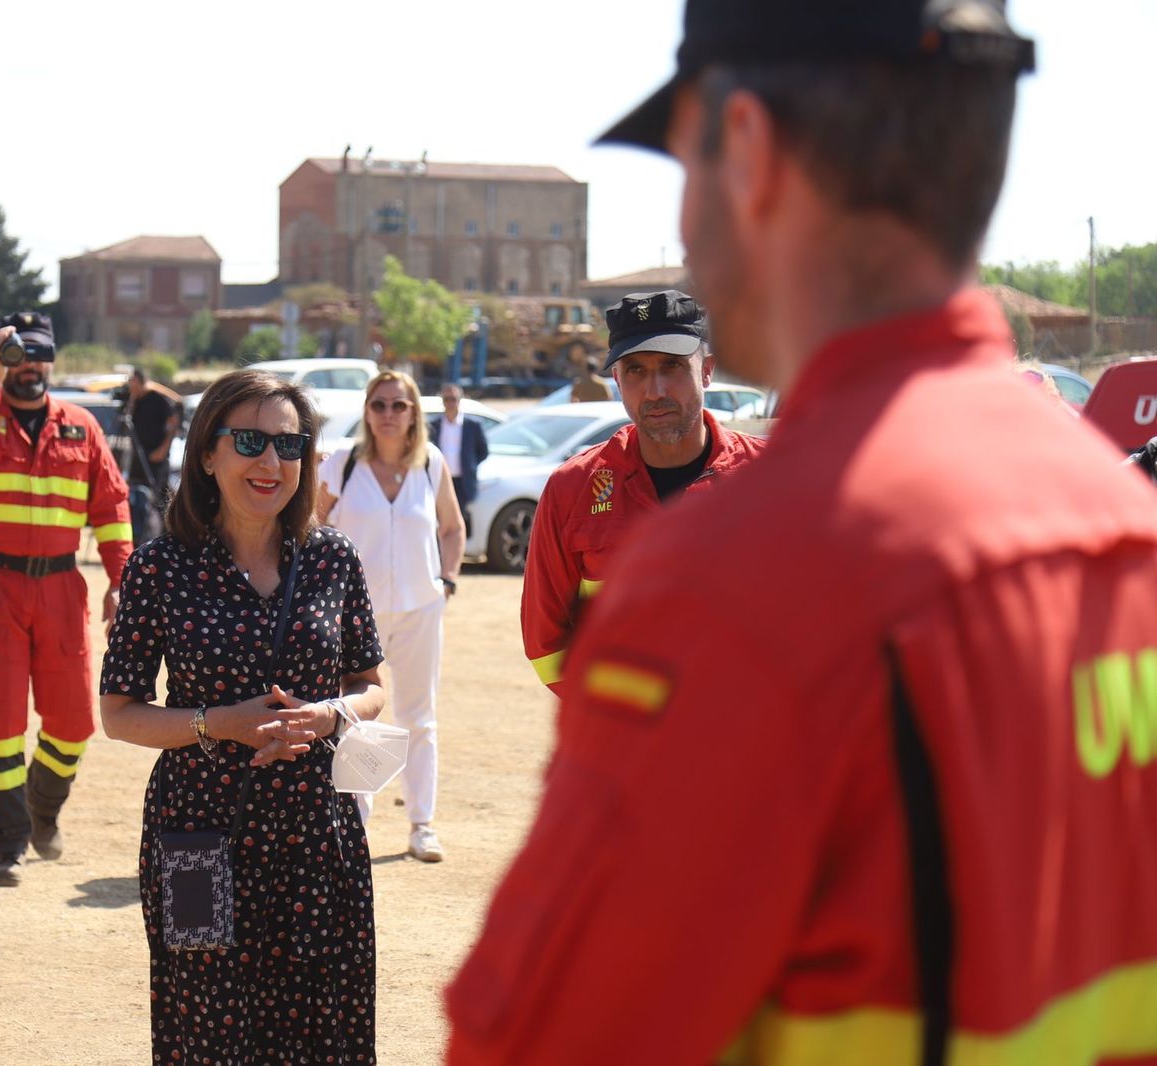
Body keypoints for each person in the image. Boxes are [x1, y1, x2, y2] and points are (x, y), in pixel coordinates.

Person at [450, 3, 1157, 1063]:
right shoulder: (1119, 528)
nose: (685, 219)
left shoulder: (738, 587)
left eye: (682, 158)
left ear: (746, 149)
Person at [100, 369, 386, 1062]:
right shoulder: (159, 567)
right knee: (208, 1029)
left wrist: (328, 715)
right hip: (199, 835)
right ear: (207, 453)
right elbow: (119, 713)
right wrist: (219, 722)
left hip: (317, 836)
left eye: (289, 446)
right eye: (251, 442)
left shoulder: (333, 560)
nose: (271, 463)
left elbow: (371, 687)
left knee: (322, 1028)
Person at [0, 311, 132, 886]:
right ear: (0, 363)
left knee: (73, 721)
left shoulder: (80, 426)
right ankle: (8, 843)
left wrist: (121, 581)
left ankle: (41, 808)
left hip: (61, 587)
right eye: (20, 357)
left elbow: (112, 508)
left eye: (41, 356)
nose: (33, 367)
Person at [520, 290, 765, 698]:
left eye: (672, 366)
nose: (654, 390)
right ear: (616, 380)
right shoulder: (573, 488)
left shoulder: (771, 478)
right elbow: (546, 645)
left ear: (707, 371)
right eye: (635, 370)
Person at [319, 369, 465, 862]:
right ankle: (356, 822)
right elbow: (310, 527)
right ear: (366, 411)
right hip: (355, 617)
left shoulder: (431, 464)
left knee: (419, 716)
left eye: (398, 406)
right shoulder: (342, 463)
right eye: (378, 405)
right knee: (357, 717)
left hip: (421, 608)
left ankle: (422, 824)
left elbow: (452, 527)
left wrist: (446, 580)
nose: (387, 414)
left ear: (413, 413)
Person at [123, 366, 177, 544]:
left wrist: (163, 449)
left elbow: (173, 421)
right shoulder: (136, 401)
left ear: (138, 381)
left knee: (159, 497)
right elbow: (127, 419)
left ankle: (166, 536)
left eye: (132, 382)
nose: (130, 386)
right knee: (138, 496)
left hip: (156, 459)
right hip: (139, 459)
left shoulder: (157, 399)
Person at [429, 382, 490, 522]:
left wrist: (471, 465)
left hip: (463, 482)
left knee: (458, 521)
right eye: (447, 399)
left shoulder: (472, 425)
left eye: (453, 399)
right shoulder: (433, 426)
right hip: (439, 480)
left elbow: (483, 451)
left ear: (460, 400)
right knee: (438, 521)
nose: (450, 403)